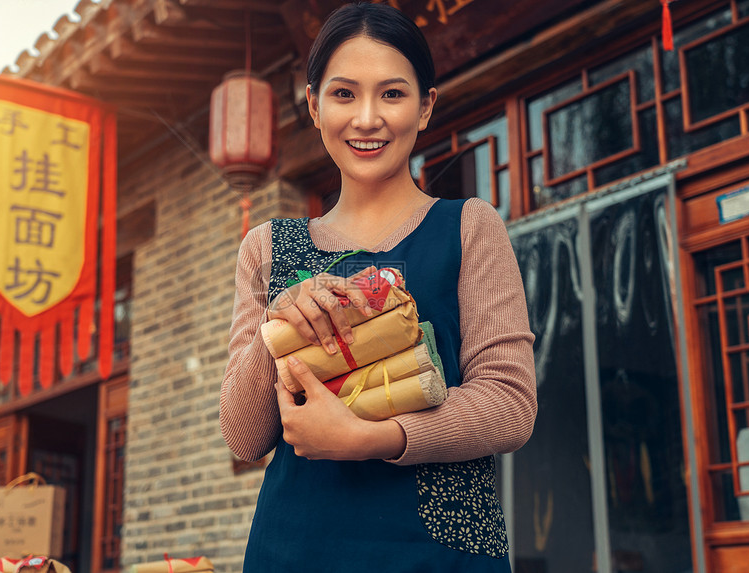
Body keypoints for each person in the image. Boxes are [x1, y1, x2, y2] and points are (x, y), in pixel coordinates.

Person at [219, 3, 536, 571]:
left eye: (392, 94)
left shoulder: (468, 227)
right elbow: (244, 437)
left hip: (440, 551)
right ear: (314, 106)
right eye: (344, 95)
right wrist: (278, 324)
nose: (367, 119)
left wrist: (375, 437)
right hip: (296, 547)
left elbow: (509, 406)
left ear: (426, 107)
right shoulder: (268, 247)